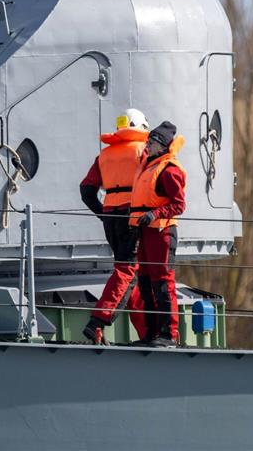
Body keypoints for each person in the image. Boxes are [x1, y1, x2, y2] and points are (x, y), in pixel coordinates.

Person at [80, 109, 150, 344]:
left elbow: (86, 190)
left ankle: (147, 331)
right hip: (134, 216)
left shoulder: (105, 155)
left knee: (131, 274)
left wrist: (102, 213)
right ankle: (97, 322)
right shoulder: (144, 151)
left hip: (111, 216)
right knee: (128, 270)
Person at [129, 121, 186, 348]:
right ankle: (151, 333)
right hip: (146, 232)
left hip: (162, 233)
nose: (147, 145)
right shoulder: (149, 166)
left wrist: (154, 214)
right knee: (145, 283)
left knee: (162, 284)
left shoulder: (169, 170)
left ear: (161, 146)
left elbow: (179, 204)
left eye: (151, 142)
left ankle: (168, 334)